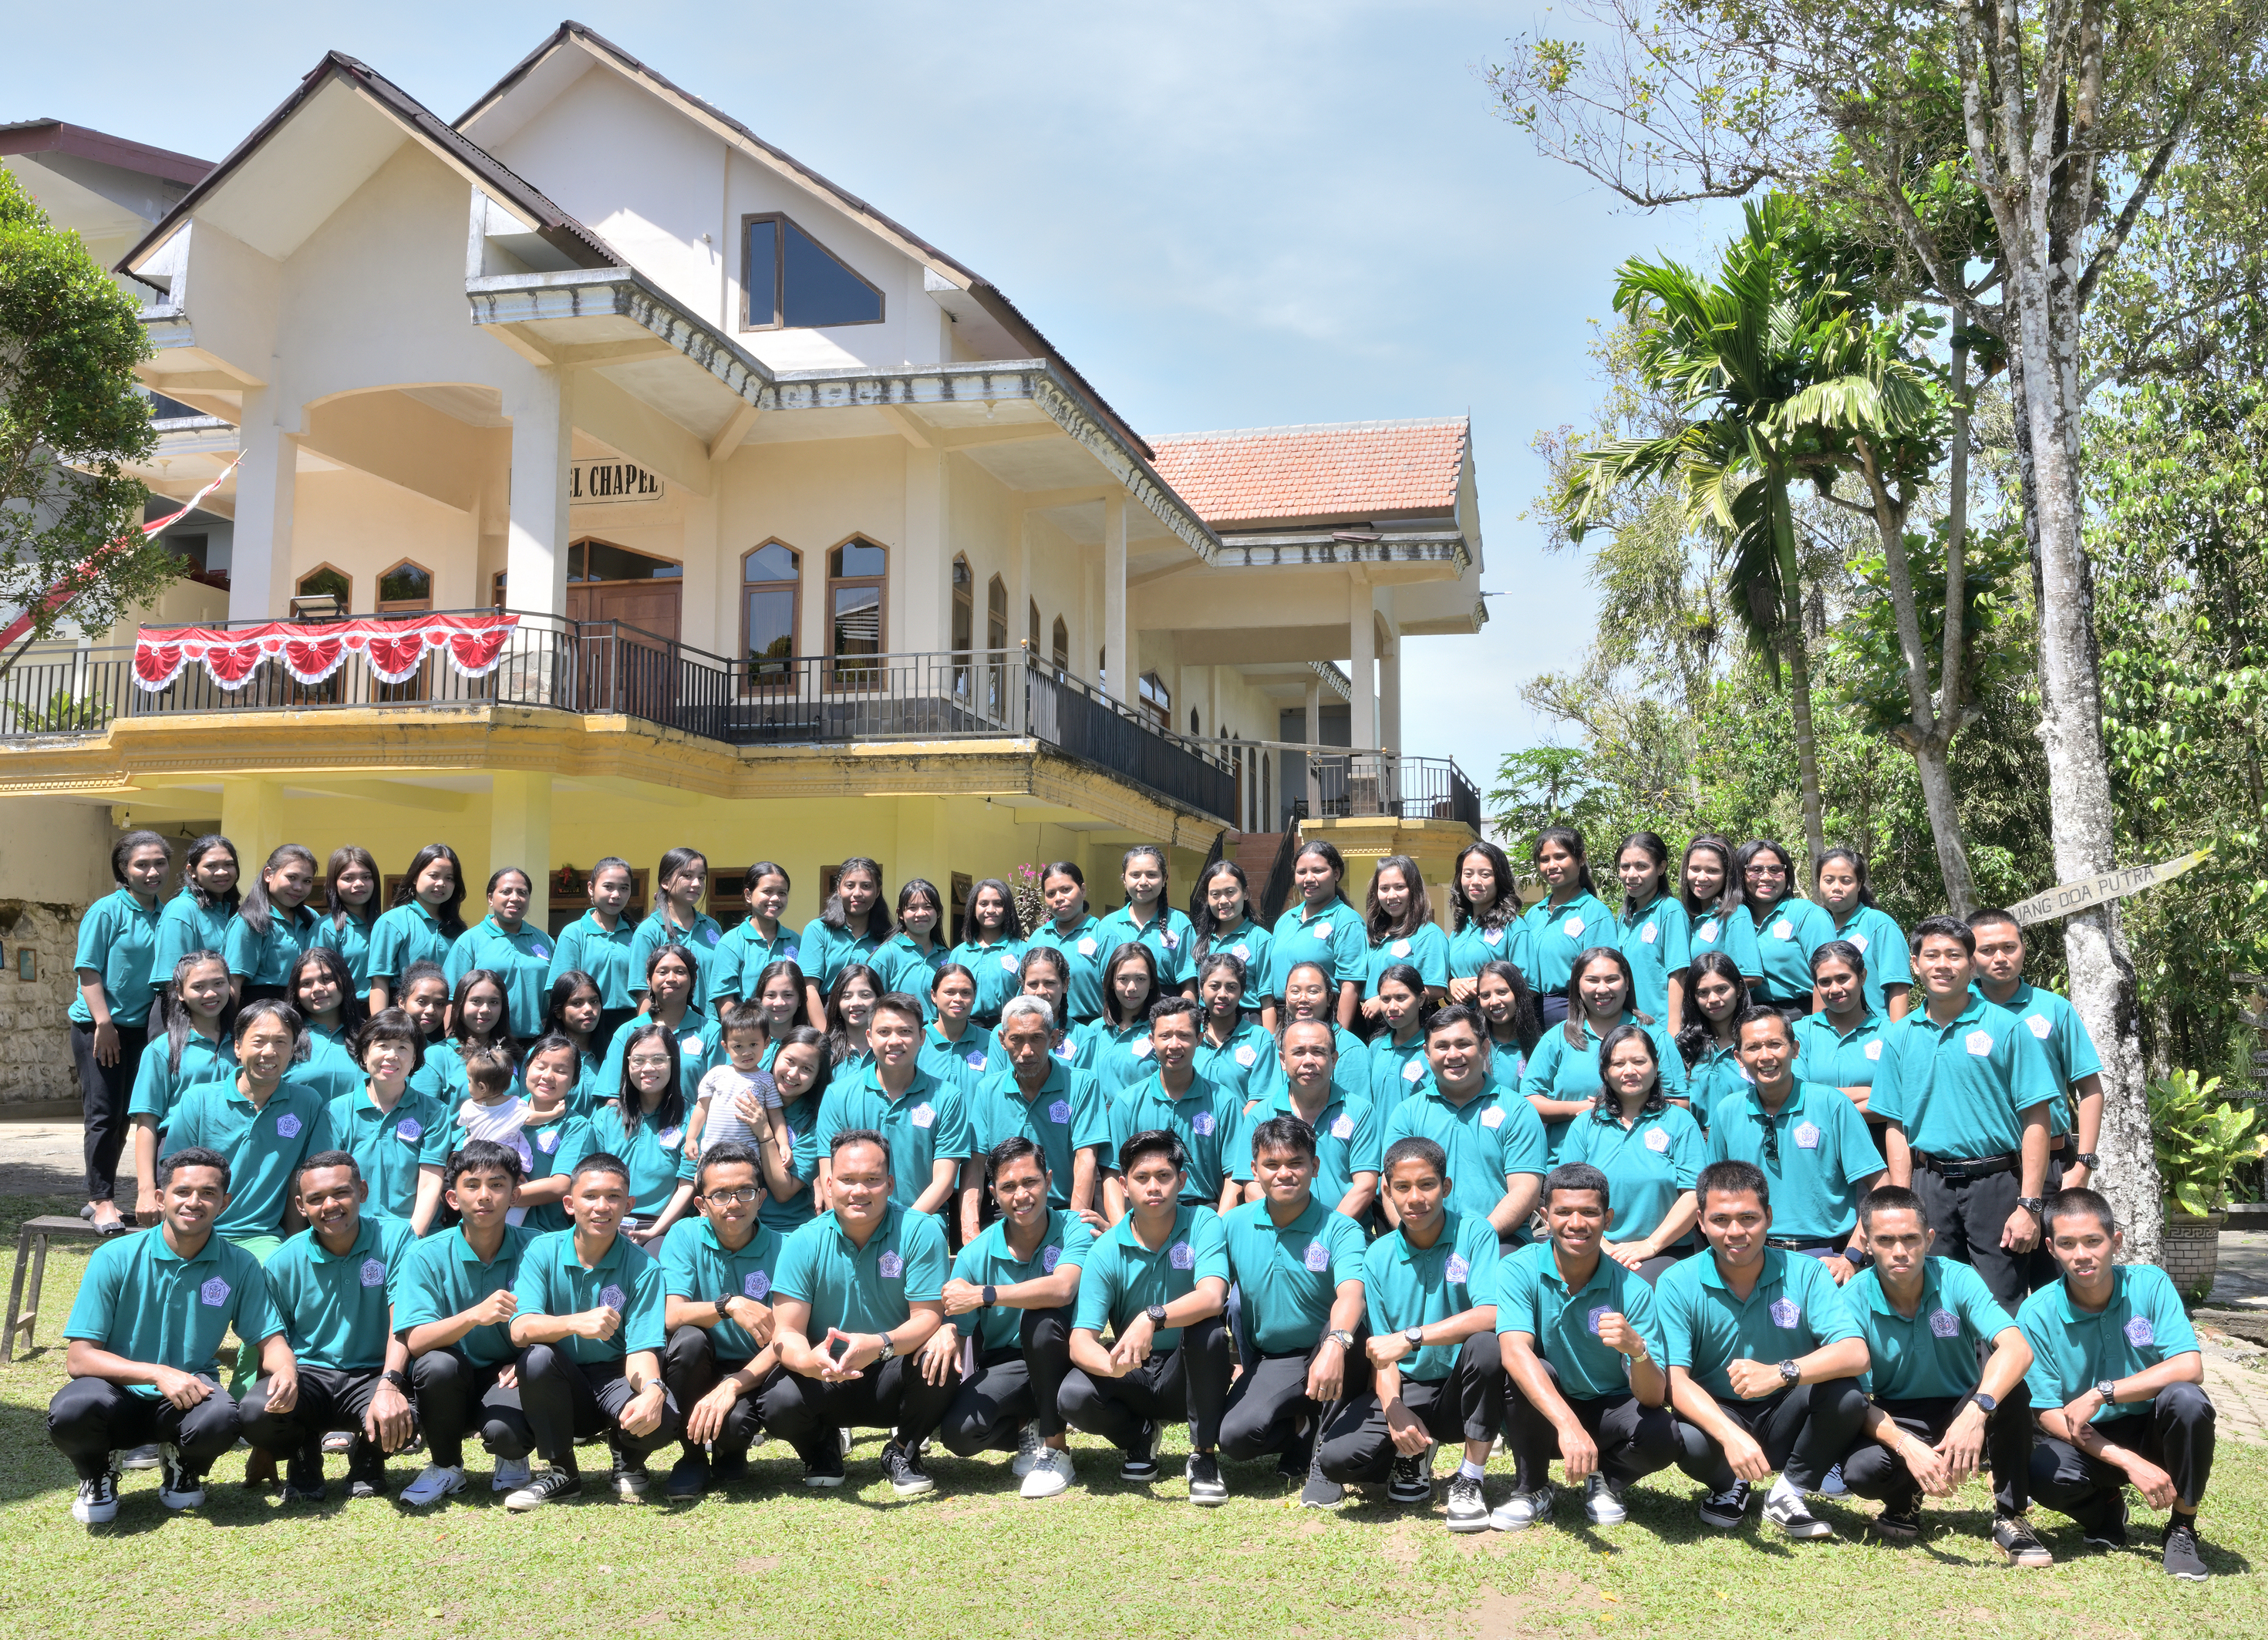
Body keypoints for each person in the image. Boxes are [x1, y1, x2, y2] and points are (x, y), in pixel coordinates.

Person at [49, 1146, 287, 1526]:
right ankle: (97, 1473)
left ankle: (183, 1465)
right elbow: (79, 1358)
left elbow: (269, 1340)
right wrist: (158, 1372)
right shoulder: (114, 1257)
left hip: (188, 1394)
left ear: (224, 1202)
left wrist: (286, 1370)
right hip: (115, 1390)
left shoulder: (240, 1264)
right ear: (161, 1198)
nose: (194, 1202)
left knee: (222, 1418)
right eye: (183, 1192)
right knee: (73, 1410)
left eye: (208, 1193)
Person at [1833, 1184, 2050, 1565]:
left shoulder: (1959, 1278)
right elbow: (1853, 1398)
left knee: (2011, 1390)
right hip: (1894, 1412)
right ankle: (1904, 1501)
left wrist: (1977, 1412)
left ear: (1929, 1239)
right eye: (1885, 1240)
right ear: (1866, 1243)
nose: (1900, 1251)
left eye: (1910, 1239)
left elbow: (2018, 1349)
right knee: (1862, 1470)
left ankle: (2011, 1517)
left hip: (1960, 1408)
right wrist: (1906, 1446)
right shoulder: (1851, 1298)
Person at [1656, 1160, 1871, 1537]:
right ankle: (1728, 1486)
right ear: (1701, 1223)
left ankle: (1789, 1491)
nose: (1735, 1232)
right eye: (1720, 1220)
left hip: (1787, 1411)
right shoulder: (1676, 1281)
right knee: (1681, 1435)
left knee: (1847, 1395)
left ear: (1769, 1217)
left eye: (1748, 1219)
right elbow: (1674, 1380)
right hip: (1718, 1412)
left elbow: (1855, 1351)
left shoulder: (1807, 1272)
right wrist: (1730, 1435)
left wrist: (1778, 1373)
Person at [2020, 1187, 2217, 1580]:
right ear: (2050, 1248)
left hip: (2153, 1426)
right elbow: (2046, 1412)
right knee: (2039, 1468)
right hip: (2088, 1438)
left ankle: (2181, 1528)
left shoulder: (2151, 1284)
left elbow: (2189, 1365)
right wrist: (2127, 1461)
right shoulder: (2035, 1313)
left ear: (2116, 1241)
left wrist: (2102, 1392)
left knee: (2188, 1399)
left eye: (2093, 1241)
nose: (2081, 1255)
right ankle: (2106, 1508)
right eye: (2067, 1244)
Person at [1872, 915, 2057, 1309]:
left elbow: (2037, 1119)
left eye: (1955, 956)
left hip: (1997, 1185)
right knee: (1935, 1303)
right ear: (1915, 964)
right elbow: (1895, 1125)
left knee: (2000, 1303)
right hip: (1928, 1186)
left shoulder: (2007, 1028)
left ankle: (2000, 1374)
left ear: (1971, 966)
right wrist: (1903, 1200)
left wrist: (2029, 1205)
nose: (1943, 965)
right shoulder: (1900, 1035)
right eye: (1933, 955)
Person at [1317, 1137, 1501, 1531]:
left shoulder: (1476, 1233)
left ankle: (1470, 1476)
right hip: (1410, 1384)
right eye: (1402, 1187)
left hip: (1460, 1386)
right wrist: (1394, 1409)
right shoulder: (1378, 1255)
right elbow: (1383, 1352)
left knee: (1487, 1346)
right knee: (1337, 1460)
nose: (1415, 1198)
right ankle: (1413, 1453)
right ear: (1386, 1191)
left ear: (1446, 1187)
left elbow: (1490, 1313)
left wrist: (1414, 1336)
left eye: (1427, 1185)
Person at [760, 1129, 956, 1494]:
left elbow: (928, 1317)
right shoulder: (803, 1240)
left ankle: (903, 1451)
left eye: (872, 1180)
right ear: (829, 1184)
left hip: (895, 1367)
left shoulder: (921, 1231)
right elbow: (785, 1332)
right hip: (828, 1371)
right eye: (848, 1180)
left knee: (939, 1358)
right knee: (776, 1401)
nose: (859, 1190)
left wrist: (880, 1345)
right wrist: (809, 1361)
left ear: (891, 1184)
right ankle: (822, 1448)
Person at [1495, 1161, 1677, 1531]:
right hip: (1546, 1415)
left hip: (1607, 1411)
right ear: (1545, 1217)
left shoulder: (1635, 1289)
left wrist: (1637, 1349)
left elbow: (1654, 1396)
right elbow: (1514, 1350)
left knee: (1663, 1433)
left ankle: (1604, 1480)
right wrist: (1568, 1426)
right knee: (1528, 1368)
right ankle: (1532, 1489)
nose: (1576, 1223)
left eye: (1590, 1212)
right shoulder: (1518, 1268)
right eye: (1563, 1212)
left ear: (1607, 1218)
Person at [1061, 1129, 1234, 1500]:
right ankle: (1139, 1435)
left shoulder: (1204, 1223)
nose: (1153, 1187)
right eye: (1142, 1178)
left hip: (1187, 1373)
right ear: (1124, 1185)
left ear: (1182, 1180)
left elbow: (1213, 1296)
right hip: (1134, 1371)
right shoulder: (1106, 1249)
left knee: (1210, 1332)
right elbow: (1080, 1341)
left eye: (1164, 1176)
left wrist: (1151, 1317)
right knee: (1072, 1395)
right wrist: (1111, 1368)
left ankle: (1203, 1456)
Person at [504, 1152, 684, 1507]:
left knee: (662, 1418)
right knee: (537, 1357)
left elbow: (642, 1348)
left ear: (629, 1203)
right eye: (590, 1196)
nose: (602, 1207)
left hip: (614, 1375)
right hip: (561, 1377)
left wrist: (651, 1389)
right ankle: (562, 1473)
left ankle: (627, 1455)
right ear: (570, 1204)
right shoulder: (542, 1250)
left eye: (614, 1196)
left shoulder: (645, 1267)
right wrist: (575, 1323)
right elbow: (520, 1329)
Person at [238, 1152, 418, 1501]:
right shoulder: (282, 1260)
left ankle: (369, 1460)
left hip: (372, 1373)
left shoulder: (396, 1238)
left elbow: (404, 1321)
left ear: (362, 1191)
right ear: (301, 1206)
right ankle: (303, 1460)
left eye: (341, 1193)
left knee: (409, 1410)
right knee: (255, 1411)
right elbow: (272, 1340)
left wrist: (390, 1383)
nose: (330, 1205)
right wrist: (264, 1442)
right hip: (309, 1375)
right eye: (316, 1198)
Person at [1217, 1116, 1368, 1505]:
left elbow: (1352, 1293)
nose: (1284, 1174)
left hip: (1332, 1351)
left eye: (1296, 1163)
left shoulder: (1341, 1228)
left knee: (1349, 1327)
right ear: (1254, 1171)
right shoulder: (1232, 1225)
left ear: (1315, 1167)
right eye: (1272, 1165)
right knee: (1235, 1437)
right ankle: (1303, 1426)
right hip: (1277, 1359)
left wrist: (1335, 1345)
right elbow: (1208, 1291)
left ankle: (1323, 1458)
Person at [930, 1137, 1093, 1497]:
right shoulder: (975, 1253)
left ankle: (1056, 1450)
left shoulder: (1075, 1229)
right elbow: (959, 1323)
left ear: (1049, 1181)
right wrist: (947, 1330)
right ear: (993, 1193)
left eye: (1030, 1182)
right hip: (1010, 1366)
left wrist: (985, 1294)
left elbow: (1063, 1289)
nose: (1022, 1195)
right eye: (1008, 1186)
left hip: (1066, 1357)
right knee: (960, 1432)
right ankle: (1027, 1425)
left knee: (1043, 1323)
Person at [394, 1139, 539, 1507]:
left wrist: (527, 1360)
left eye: (497, 1184)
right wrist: (475, 1315)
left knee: (507, 1431)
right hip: (450, 1379)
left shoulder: (538, 1248)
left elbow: (559, 1320)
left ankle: (512, 1454)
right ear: (453, 1198)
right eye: (472, 1185)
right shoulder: (424, 1254)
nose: (485, 1196)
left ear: (515, 1195)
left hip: (507, 1374)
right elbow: (416, 1340)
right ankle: (446, 1467)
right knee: (436, 1363)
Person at [1707, 1008, 1885, 1272]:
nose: (1765, 1056)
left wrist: (1852, 1256)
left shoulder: (1831, 1105)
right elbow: (1712, 1194)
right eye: (1753, 1047)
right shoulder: (1726, 1112)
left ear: (1795, 1049)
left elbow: (1880, 1185)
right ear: (1739, 1058)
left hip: (1827, 1258)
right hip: (1751, 1260)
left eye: (1775, 1044)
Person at [659, 1140, 786, 1500]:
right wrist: (728, 1305)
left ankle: (731, 1449)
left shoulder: (786, 1248)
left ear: (761, 1198)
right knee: (688, 1338)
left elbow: (786, 1336)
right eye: (720, 1194)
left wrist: (733, 1386)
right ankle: (692, 1457)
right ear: (700, 1204)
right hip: (701, 1363)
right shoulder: (684, 1235)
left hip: (754, 1368)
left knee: (730, 1427)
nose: (733, 1204)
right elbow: (671, 1315)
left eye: (745, 1192)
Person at [166, 1002, 335, 1261]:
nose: (269, 1052)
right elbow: (174, 1176)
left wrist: (293, 1243)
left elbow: (298, 1179)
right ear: (237, 1046)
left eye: (281, 1042)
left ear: (292, 1050)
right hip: (196, 1227)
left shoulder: (307, 1103)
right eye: (258, 1041)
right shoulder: (197, 1100)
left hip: (261, 1236)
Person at [72, 830, 170, 1235]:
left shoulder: (168, 913)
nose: (151, 871)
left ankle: (98, 1194)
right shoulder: (107, 911)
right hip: (99, 1027)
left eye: (159, 863)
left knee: (128, 1118)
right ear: (124, 870)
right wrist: (104, 1024)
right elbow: (88, 971)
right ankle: (103, 1200)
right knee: (103, 1115)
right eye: (141, 864)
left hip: (141, 1030)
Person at [1381, 1006, 1548, 1244]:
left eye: (1463, 1044)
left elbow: (1525, 1190)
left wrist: (1477, 1240)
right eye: (1442, 1046)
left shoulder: (1518, 1111)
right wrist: (1416, 1237)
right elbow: (1389, 1185)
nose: (1453, 1054)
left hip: (1500, 1239)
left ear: (1484, 1048)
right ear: (1427, 1053)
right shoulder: (1406, 1114)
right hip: (1422, 1241)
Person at [1970, 908, 2107, 1198]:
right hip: (1979, 1167)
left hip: (2052, 1160)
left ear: (2023, 948)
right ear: (1970, 956)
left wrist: (2084, 1165)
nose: (2000, 958)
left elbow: (2090, 1088)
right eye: (1987, 950)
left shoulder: (2054, 1009)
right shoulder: (1956, 1013)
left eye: (2009, 947)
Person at [1556, 1024, 1705, 1286]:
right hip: (1591, 1248)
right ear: (1605, 1071)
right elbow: (1565, 1194)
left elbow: (1693, 1195)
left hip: (1664, 1251)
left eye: (1639, 1061)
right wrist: (1601, 1245)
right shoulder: (1585, 1125)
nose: (1629, 1071)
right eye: (1618, 1063)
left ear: (1656, 1066)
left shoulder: (1680, 1122)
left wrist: (1650, 1245)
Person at [814, 992, 972, 1215]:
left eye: (906, 1031)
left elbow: (944, 1182)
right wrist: (855, 1226)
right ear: (870, 1037)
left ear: (922, 1037)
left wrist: (905, 1229)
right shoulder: (837, 1095)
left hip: (920, 1224)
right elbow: (829, 1177)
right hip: (853, 1225)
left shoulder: (948, 1098)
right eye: (884, 1032)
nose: (894, 1041)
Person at [1520, 946, 1687, 1157]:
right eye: (1592, 980)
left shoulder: (1655, 1036)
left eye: (1611, 979)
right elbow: (1529, 1099)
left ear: (1627, 983)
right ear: (1577, 985)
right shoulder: (1557, 1038)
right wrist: (1579, 1109)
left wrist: (1623, 1110)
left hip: (1642, 1160)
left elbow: (1680, 1103)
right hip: (1571, 1165)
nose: (1602, 989)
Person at [963, 995, 1109, 1234]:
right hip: (1005, 1214)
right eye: (1016, 1040)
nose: (1027, 1051)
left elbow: (1086, 1159)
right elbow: (976, 1166)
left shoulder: (1082, 1084)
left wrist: (1073, 1229)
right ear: (1002, 1040)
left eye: (1037, 1039)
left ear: (1053, 1039)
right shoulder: (987, 1090)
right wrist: (970, 1231)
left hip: (1063, 1212)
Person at [1230, 1018, 1380, 1221]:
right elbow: (1252, 1187)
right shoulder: (1260, 1116)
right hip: (1279, 1235)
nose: (1309, 1060)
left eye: (1318, 1051)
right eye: (1299, 1052)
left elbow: (1365, 1186)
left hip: (1343, 1234)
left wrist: (1329, 1233)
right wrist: (1294, 1230)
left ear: (1334, 1059)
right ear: (1283, 1060)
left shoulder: (1360, 1111)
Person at [1107, 996, 1245, 1216]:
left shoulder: (1224, 1102)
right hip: (1144, 1218)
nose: (1174, 1045)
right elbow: (1113, 1176)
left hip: (1205, 1215)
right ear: (1152, 1040)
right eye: (1165, 1036)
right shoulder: (1127, 1103)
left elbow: (1235, 1176)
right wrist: (1121, 1232)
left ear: (1199, 1039)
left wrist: (1218, 1226)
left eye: (1184, 1035)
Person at [129, 952, 238, 1222]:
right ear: (179, 992)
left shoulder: (244, 1044)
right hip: (178, 1154)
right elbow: (146, 1123)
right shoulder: (162, 1049)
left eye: (218, 983)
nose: (210, 993)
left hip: (234, 1149)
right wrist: (146, 1190)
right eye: (199, 986)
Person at [326, 1009, 449, 1230]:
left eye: (402, 1047)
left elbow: (430, 1184)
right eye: (382, 1045)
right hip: (351, 1232)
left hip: (413, 1233)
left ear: (414, 1059)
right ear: (364, 1054)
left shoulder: (434, 1112)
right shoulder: (336, 1111)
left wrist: (412, 1239)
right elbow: (328, 1181)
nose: (392, 1055)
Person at [608, 1021, 697, 1244]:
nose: (648, 1068)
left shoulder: (692, 1119)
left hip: (661, 1229)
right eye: (638, 1060)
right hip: (607, 1223)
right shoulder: (606, 1118)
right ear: (627, 1064)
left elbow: (688, 1185)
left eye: (658, 1059)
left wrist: (654, 1231)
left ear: (673, 1063)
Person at [1245, 958, 1372, 1112]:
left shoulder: (1350, 1048)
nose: (1303, 999)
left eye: (1313, 991)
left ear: (1329, 998)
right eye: (1295, 991)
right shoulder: (1272, 1043)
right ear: (1285, 998)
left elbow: (1355, 1110)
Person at [1520, 827, 1616, 1027]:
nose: (1551, 865)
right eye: (1544, 859)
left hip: (1575, 1016)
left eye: (1560, 857)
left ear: (1581, 859)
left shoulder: (1595, 913)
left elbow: (1603, 978)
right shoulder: (1533, 915)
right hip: (1530, 1017)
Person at [446, 867, 554, 1041]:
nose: (515, 898)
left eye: (522, 892)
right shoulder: (470, 941)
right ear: (490, 898)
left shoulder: (545, 941)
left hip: (537, 1044)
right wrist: (454, 1043)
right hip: (485, 1044)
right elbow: (451, 999)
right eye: (506, 892)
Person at [1265, 840, 1364, 1029]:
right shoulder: (1286, 919)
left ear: (1336, 874)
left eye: (1318, 871)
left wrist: (1338, 1036)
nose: (1308, 878)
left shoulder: (1346, 920)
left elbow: (1350, 986)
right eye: (1301, 872)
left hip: (1326, 1020)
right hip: (1284, 1017)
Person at [1790, 941, 1892, 1124]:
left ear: (1862, 977)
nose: (1835, 989)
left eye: (1843, 978)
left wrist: (1824, 1105)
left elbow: (1894, 1102)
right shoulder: (1799, 1034)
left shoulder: (1890, 1035)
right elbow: (1798, 1096)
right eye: (1825, 982)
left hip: (1875, 1145)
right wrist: (1869, 1094)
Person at [601, 945, 716, 1103]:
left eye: (680, 972)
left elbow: (723, 1093)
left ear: (694, 979)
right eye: (662, 972)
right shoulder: (627, 1032)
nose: (671, 978)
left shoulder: (712, 1032)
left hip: (694, 1126)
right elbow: (612, 1097)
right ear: (649, 979)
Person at [1736, 839, 1832, 1019]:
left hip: (1803, 1017)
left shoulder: (1807, 914)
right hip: (1749, 1020)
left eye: (1775, 869)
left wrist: (1817, 1031)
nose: (1766, 877)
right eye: (1755, 870)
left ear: (1787, 874)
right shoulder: (1733, 919)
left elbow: (1828, 976)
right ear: (1741, 875)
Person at [515, 1036, 602, 1234]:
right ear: (527, 1069)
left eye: (561, 1071)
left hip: (541, 1234)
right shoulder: (503, 1110)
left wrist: (498, 1196)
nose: (547, 1076)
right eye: (540, 1066)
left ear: (574, 1081)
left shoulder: (576, 1126)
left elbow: (561, 1186)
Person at [547, 857, 639, 1041]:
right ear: (591, 888)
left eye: (624, 888)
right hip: (587, 1023)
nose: (616, 895)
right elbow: (560, 990)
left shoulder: (638, 934)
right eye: (608, 887)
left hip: (632, 1022)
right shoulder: (574, 933)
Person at [366, 843, 463, 1015]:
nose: (441, 883)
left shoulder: (458, 929)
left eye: (449, 878)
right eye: (434, 875)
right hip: (402, 1020)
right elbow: (379, 981)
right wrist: (381, 1030)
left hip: (444, 1019)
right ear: (415, 877)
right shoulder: (392, 921)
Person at [1814, 848, 1911, 1020]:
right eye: (1828, 880)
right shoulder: (1816, 925)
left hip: (1876, 1033)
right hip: (1834, 1035)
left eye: (1846, 881)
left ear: (1859, 884)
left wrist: (1896, 1039)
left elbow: (1899, 985)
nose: (1836, 888)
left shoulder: (1878, 923)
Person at [629, 847, 725, 1012]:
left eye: (701, 878)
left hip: (709, 1028)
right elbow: (643, 993)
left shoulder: (712, 927)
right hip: (666, 1030)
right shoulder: (649, 931)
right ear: (665, 882)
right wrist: (649, 1034)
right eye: (687, 876)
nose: (697, 883)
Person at [797, 856, 890, 1023]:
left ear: (878, 891)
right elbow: (809, 988)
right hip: (827, 1018)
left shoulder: (889, 937)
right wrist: (825, 1037)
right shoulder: (818, 930)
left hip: (874, 1023)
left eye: (866, 886)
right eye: (850, 886)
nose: (857, 893)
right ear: (839, 889)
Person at [1095, 844, 1197, 995]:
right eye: (1135, 875)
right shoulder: (1107, 926)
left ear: (1164, 879)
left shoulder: (1180, 923)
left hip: (1168, 1012)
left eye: (1151, 874)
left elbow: (1189, 985)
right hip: (1120, 1012)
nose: (1143, 882)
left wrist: (1186, 1017)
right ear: (1124, 880)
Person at [226, 844, 321, 1005]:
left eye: (307, 881)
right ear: (268, 874)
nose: (298, 887)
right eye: (291, 877)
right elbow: (233, 983)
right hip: (261, 1011)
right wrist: (230, 1028)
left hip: (303, 1008)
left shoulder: (311, 918)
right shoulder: (249, 920)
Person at [1615, 831, 1691, 1030]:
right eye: (1625, 867)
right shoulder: (1624, 917)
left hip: (1659, 1028)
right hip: (1628, 1028)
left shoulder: (1670, 910)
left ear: (1661, 868)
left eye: (1641, 866)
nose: (1631, 874)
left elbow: (1679, 975)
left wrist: (1673, 1033)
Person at [1360, 854, 1448, 1021]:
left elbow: (1436, 988)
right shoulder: (1371, 936)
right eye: (1384, 888)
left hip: (1410, 1023)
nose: (1391, 896)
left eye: (1400, 887)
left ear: (1414, 890)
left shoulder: (1428, 934)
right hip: (1368, 1023)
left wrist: (1383, 1002)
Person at [1190, 860, 1275, 1030]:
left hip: (1248, 1023)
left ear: (1245, 893)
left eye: (1230, 892)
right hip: (1205, 1024)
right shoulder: (1199, 941)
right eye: (1215, 894)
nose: (1223, 900)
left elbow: (1268, 1001)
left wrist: (1269, 1042)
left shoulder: (1261, 939)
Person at [1447, 840, 1532, 1005]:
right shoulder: (1459, 929)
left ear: (1499, 879)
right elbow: (1447, 979)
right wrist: (1452, 985)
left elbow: (1529, 986)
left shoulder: (1514, 927)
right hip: (1462, 1023)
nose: (1475, 881)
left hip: (1497, 1025)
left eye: (1485, 874)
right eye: (1468, 874)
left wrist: (1483, 987)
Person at [1025, 860, 1107, 1025]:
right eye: (1051, 894)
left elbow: (1117, 991)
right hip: (1044, 1030)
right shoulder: (1038, 938)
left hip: (1092, 1029)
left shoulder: (1103, 935)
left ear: (1082, 890)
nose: (1059, 898)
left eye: (1066, 890)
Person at [1676, 950, 1752, 1125]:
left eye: (1721, 989)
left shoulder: (1757, 1041)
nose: (1713, 999)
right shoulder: (1684, 1046)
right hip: (1698, 1143)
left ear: (1739, 989)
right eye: (1702, 993)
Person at [152, 833, 239, 986]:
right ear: (192, 871)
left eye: (229, 864)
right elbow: (171, 980)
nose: (222, 872)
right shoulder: (181, 910)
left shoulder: (233, 910)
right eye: (211, 866)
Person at [1679, 835, 1763, 993]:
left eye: (1712, 871)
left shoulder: (1735, 914)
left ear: (1727, 875)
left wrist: (1703, 990)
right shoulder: (1685, 916)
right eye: (1695, 869)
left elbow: (1752, 976)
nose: (1702, 877)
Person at [712, 860, 800, 1005]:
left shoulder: (797, 941)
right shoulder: (731, 943)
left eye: (782, 893)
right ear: (748, 895)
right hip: (747, 1026)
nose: (776, 898)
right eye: (767, 891)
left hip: (790, 1027)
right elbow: (725, 1000)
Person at [944, 875, 1025, 1029]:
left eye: (998, 904)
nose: (991, 910)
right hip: (965, 1029)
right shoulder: (958, 953)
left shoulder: (1021, 950)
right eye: (983, 904)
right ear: (973, 908)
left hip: (1011, 1027)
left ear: (1007, 909)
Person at [1090, 942, 1168, 1100]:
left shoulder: (1161, 1030)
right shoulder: (1095, 1030)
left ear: (1151, 982)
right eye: (1123, 979)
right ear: (1111, 982)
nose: (1131, 987)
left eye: (1140, 979)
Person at [1192, 952, 1274, 1102]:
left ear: (1242, 992)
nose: (1222, 994)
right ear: (1201, 990)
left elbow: (1260, 1099)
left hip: (1245, 1124)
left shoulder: (1260, 1039)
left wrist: (1235, 1125)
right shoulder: (1187, 1036)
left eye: (1231, 987)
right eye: (1214, 986)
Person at [430, 968, 514, 1102]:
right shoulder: (436, 1056)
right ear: (460, 1004)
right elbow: (423, 1115)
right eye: (476, 1001)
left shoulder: (514, 1055)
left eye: (494, 1002)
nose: (485, 1009)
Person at [875, 877, 952, 1020]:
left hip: (939, 1039)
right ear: (900, 914)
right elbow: (872, 1004)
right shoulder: (887, 954)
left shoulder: (949, 957)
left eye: (928, 907)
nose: (921, 913)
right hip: (899, 1037)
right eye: (912, 908)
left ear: (939, 912)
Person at [534, 969, 608, 1116]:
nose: (588, 1009)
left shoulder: (611, 1052)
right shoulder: (539, 1056)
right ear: (558, 1012)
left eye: (594, 1001)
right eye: (577, 1003)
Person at [312, 845, 380, 1002]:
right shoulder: (326, 929)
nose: (359, 883)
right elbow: (318, 982)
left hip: (388, 1016)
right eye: (348, 878)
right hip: (345, 1014)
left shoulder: (386, 925)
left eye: (366, 877)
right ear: (334, 884)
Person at [1364, 963, 1435, 1106]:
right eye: (1385, 999)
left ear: (1421, 999)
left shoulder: (1433, 1049)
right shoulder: (1376, 1048)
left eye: (1401, 998)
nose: (1392, 1007)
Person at [1472, 959, 1542, 1093]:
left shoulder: (1541, 1046)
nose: (1494, 1002)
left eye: (1502, 992)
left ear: (1518, 994)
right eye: (1486, 995)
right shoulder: (1472, 1046)